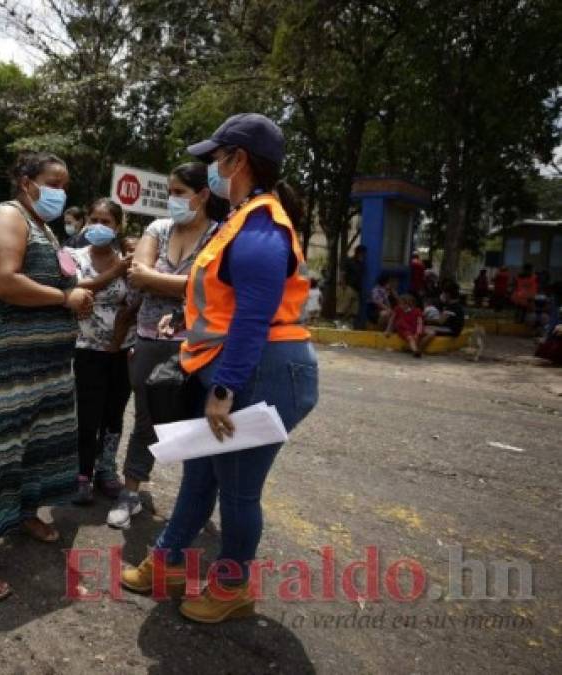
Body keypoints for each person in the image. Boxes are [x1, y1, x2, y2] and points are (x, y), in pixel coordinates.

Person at [120, 113, 318, 623]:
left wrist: (224, 390)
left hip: (259, 371)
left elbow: (254, 314)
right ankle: (168, 562)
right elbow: (220, 298)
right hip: (237, 363)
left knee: (237, 488)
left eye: (216, 158)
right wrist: (183, 319)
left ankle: (233, 586)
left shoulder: (262, 224)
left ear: (238, 160)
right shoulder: (241, 218)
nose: (211, 167)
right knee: (201, 473)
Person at [0, 152, 93, 601]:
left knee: (38, 442)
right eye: (53, 181)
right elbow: (4, 281)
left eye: (65, 183)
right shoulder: (5, 218)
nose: (60, 191)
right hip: (8, 358)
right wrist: (65, 300)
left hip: (44, 362)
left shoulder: (42, 225)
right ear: (26, 182)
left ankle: (24, 511)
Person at [108, 162, 227, 529]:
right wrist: (188, 284)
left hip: (199, 346)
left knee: (197, 425)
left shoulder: (220, 235)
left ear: (203, 195)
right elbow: (138, 277)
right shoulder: (158, 228)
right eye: (171, 192)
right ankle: (131, 494)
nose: (172, 199)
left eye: (179, 192)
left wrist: (160, 280)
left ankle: (194, 507)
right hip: (149, 341)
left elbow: (214, 289)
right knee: (146, 421)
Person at [68, 199, 139, 504]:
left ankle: (106, 471)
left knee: (114, 413)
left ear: (118, 226)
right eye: (94, 219)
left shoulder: (130, 261)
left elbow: (134, 301)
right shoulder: (73, 256)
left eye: (106, 221)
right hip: (87, 349)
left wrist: (120, 338)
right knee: (88, 413)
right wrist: (113, 274)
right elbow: (74, 288)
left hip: (122, 351)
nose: (98, 226)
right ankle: (82, 472)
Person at [344, 245, 366, 327]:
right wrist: (344, 285)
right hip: (349, 286)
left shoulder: (361, 263)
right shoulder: (350, 261)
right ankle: (342, 322)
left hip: (358, 288)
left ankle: (350, 324)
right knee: (345, 306)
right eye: (362, 253)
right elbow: (344, 273)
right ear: (358, 253)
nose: (363, 255)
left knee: (354, 310)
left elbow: (362, 273)